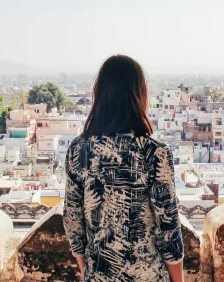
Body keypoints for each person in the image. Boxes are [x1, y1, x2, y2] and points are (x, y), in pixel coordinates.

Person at [63, 55, 184, 282]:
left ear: (99, 93)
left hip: (98, 274)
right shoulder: (154, 152)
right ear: (139, 94)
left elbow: (72, 218)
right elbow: (168, 227)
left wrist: (86, 268)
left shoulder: (79, 149)